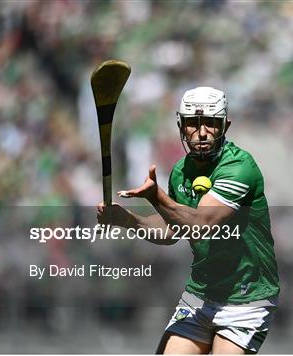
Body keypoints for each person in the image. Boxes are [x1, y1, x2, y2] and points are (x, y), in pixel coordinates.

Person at [97, 86, 280, 354]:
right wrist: (126, 219)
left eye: (210, 123)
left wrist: (156, 197)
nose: (202, 132)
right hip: (201, 295)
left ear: (225, 126)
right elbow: (172, 231)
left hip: (246, 297)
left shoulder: (240, 167)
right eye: (193, 124)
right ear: (181, 126)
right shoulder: (181, 171)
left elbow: (202, 224)